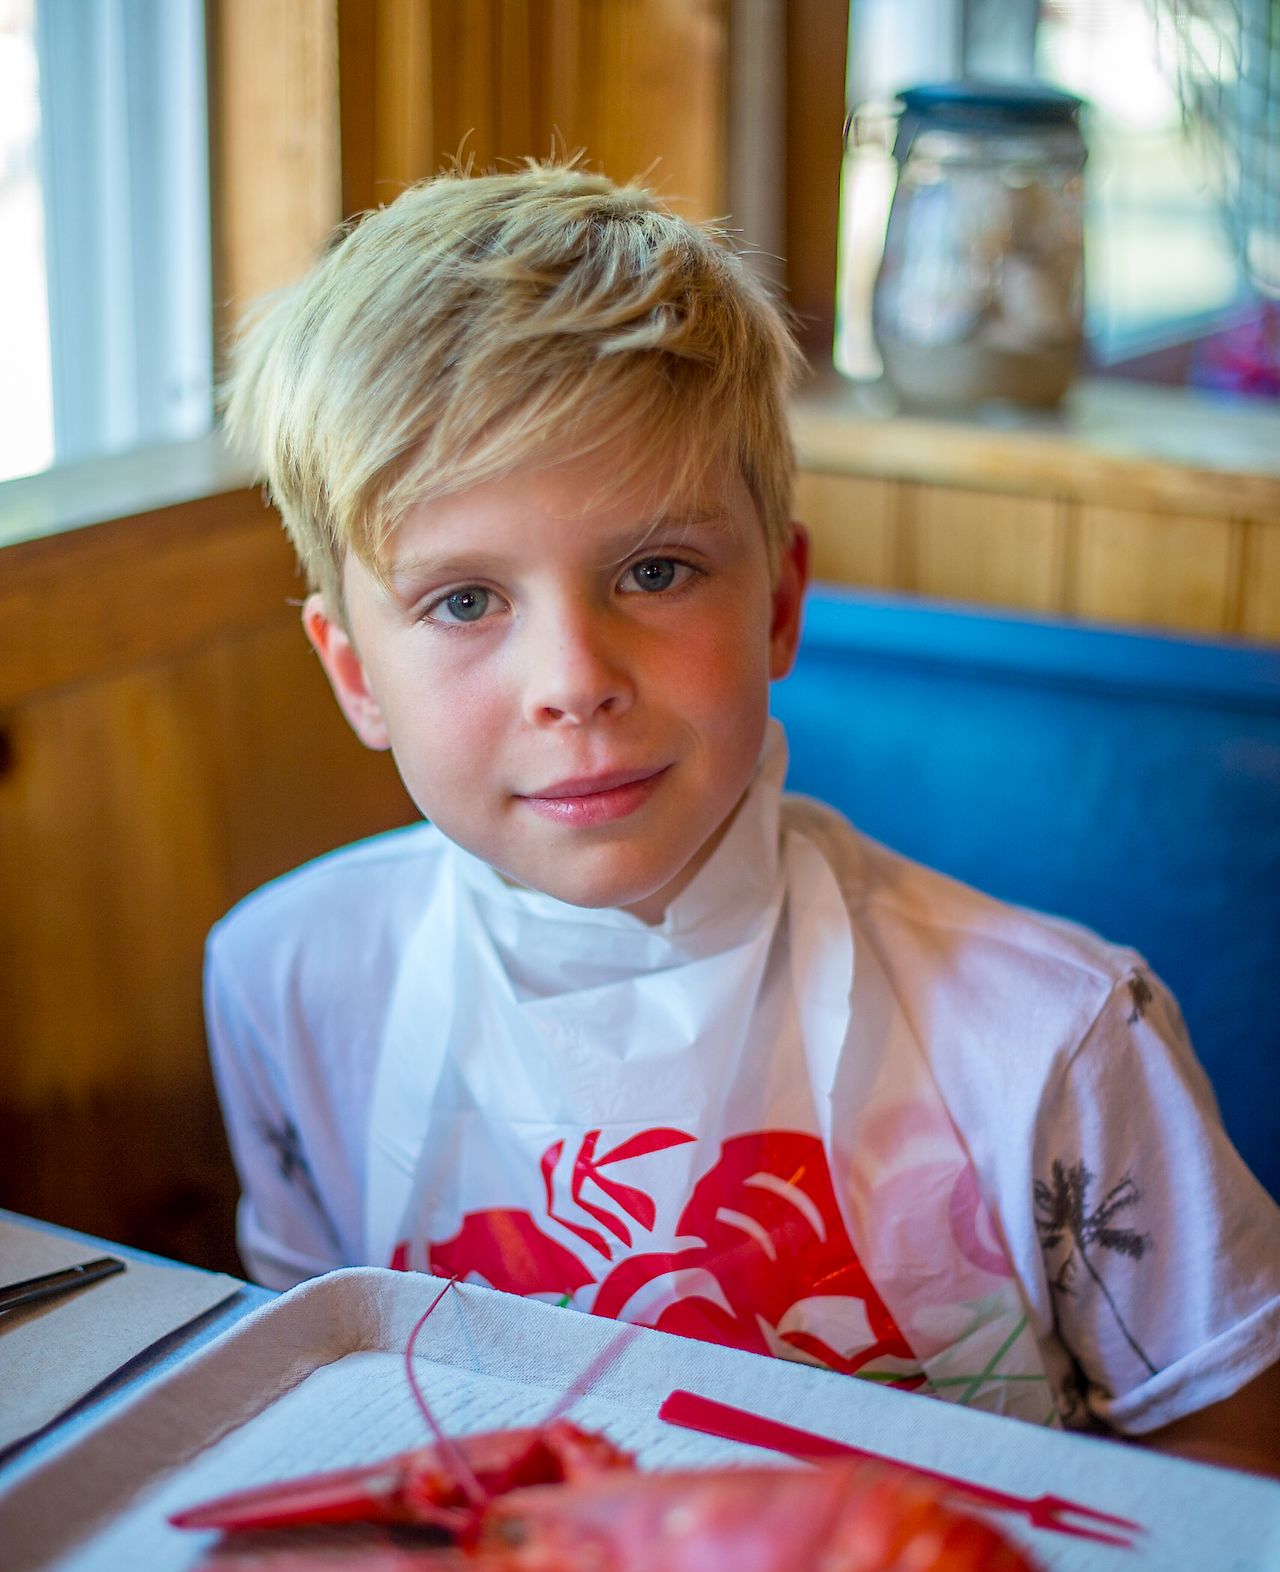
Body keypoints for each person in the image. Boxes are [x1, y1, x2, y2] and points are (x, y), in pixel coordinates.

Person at [208, 161, 1280, 1475]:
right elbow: (329, 1390)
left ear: (776, 605)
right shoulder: (286, 981)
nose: (574, 682)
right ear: (356, 672)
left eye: (655, 571)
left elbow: (1232, 1468)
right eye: (466, 603)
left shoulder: (1060, 1039)